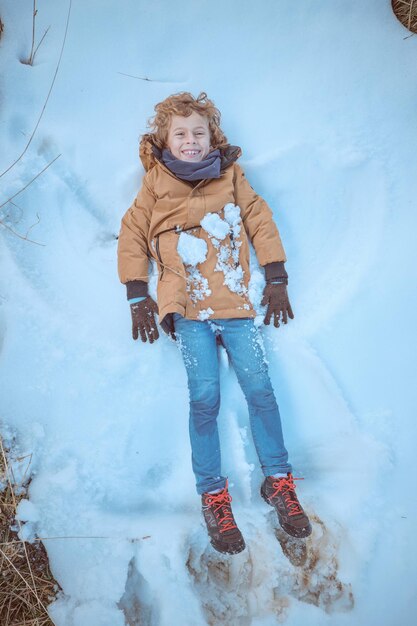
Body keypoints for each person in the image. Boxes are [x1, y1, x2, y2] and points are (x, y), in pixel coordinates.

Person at [117, 92, 311, 555]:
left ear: (212, 137)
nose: (190, 141)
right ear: (165, 139)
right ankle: (214, 497)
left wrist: (277, 276)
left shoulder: (231, 175)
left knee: (261, 391)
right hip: (187, 310)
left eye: (198, 133)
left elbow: (260, 220)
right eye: (180, 133)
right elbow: (132, 234)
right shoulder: (154, 184)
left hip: (237, 305)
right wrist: (137, 293)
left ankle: (279, 482)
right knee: (204, 399)